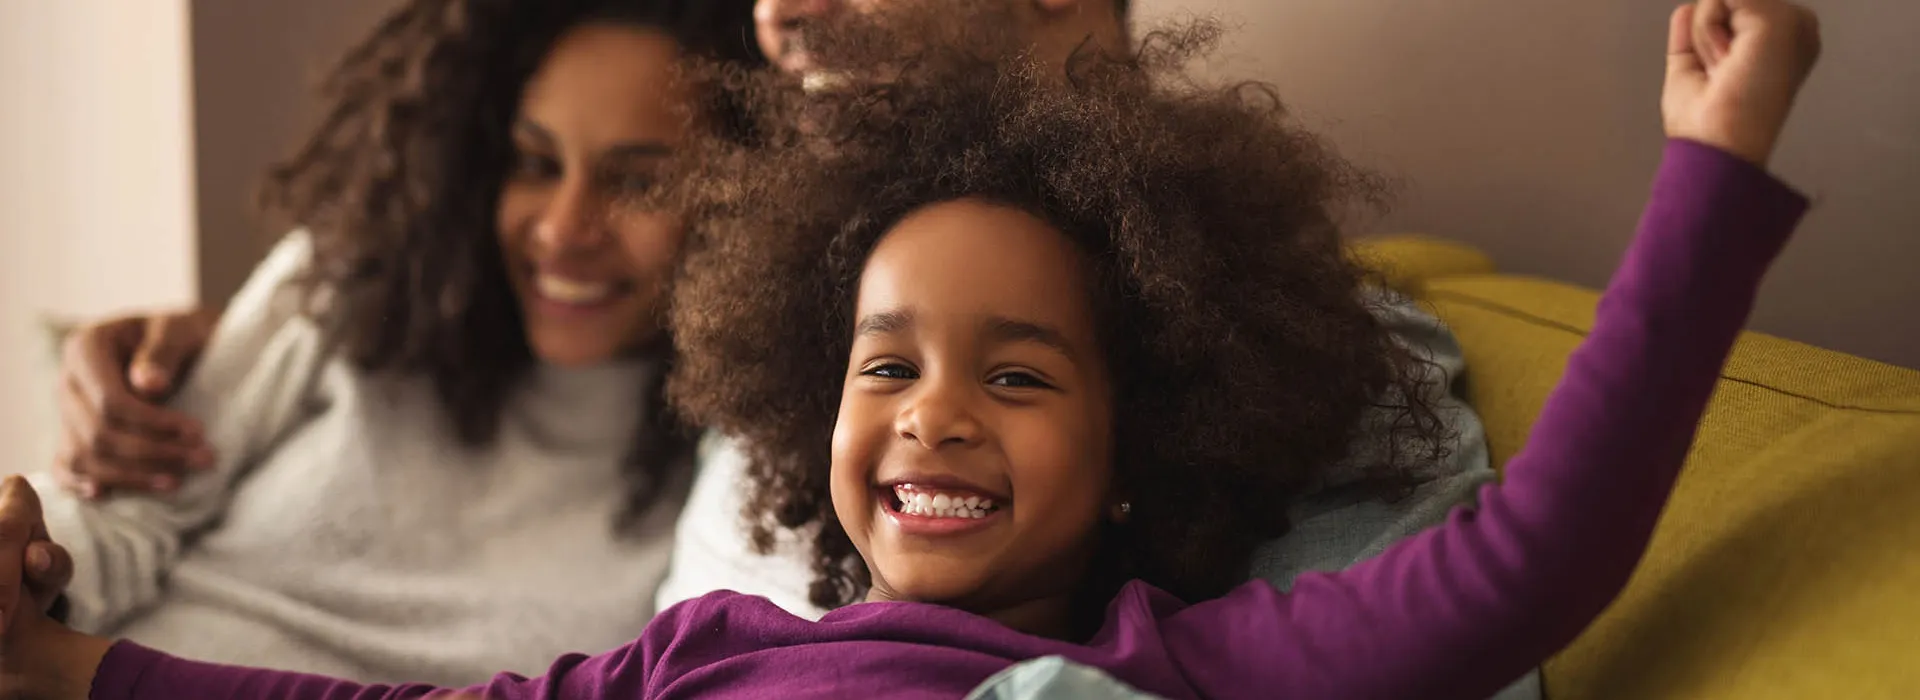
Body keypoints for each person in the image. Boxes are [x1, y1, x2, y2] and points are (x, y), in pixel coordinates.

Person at [0, 0, 1822, 697]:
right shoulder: (695, 651)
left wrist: (1712, 168)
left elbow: (1529, 564)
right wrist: (59, 662)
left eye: (1017, 374)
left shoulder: (1176, 659)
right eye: (884, 366)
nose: (935, 410)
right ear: (809, 410)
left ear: (1138, 458)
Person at [8, 0, 763, 686]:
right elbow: (122, 519)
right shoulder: (353, 291)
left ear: (748, 205)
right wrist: (31, 564)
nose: (563, 229)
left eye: (638, 185)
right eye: (533, 165)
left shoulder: (736, 478)